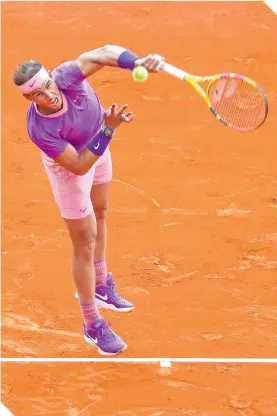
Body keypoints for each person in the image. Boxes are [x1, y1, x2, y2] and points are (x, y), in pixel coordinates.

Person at [13, 45, 164, 355]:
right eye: (39, 94)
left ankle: (101, 284)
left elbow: (104, 53)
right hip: (72, 169)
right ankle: (91, 323)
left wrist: (138, 62)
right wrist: (109, 127)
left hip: (98, 145)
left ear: (53, 78)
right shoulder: (40, 128)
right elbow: (79, 164)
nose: (50, 95)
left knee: (102, 212)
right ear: (29, 99)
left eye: (49, 85)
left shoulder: (67, 76)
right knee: (84, 241)